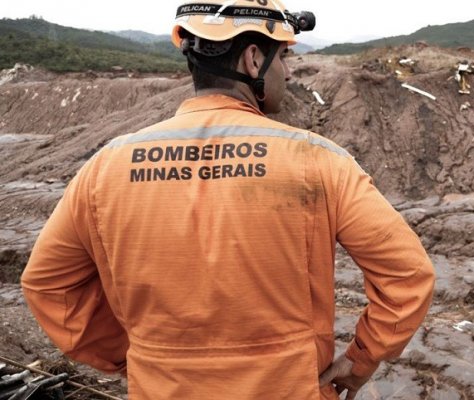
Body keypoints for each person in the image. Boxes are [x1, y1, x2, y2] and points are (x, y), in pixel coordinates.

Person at [20, 1, 435, 399]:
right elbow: (407, 277)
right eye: (284, 58)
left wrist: (136, 358)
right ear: (253, 59)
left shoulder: (105, 167)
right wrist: (360, 360)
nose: (288, 75)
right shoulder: (319, 161)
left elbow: (48, 285)